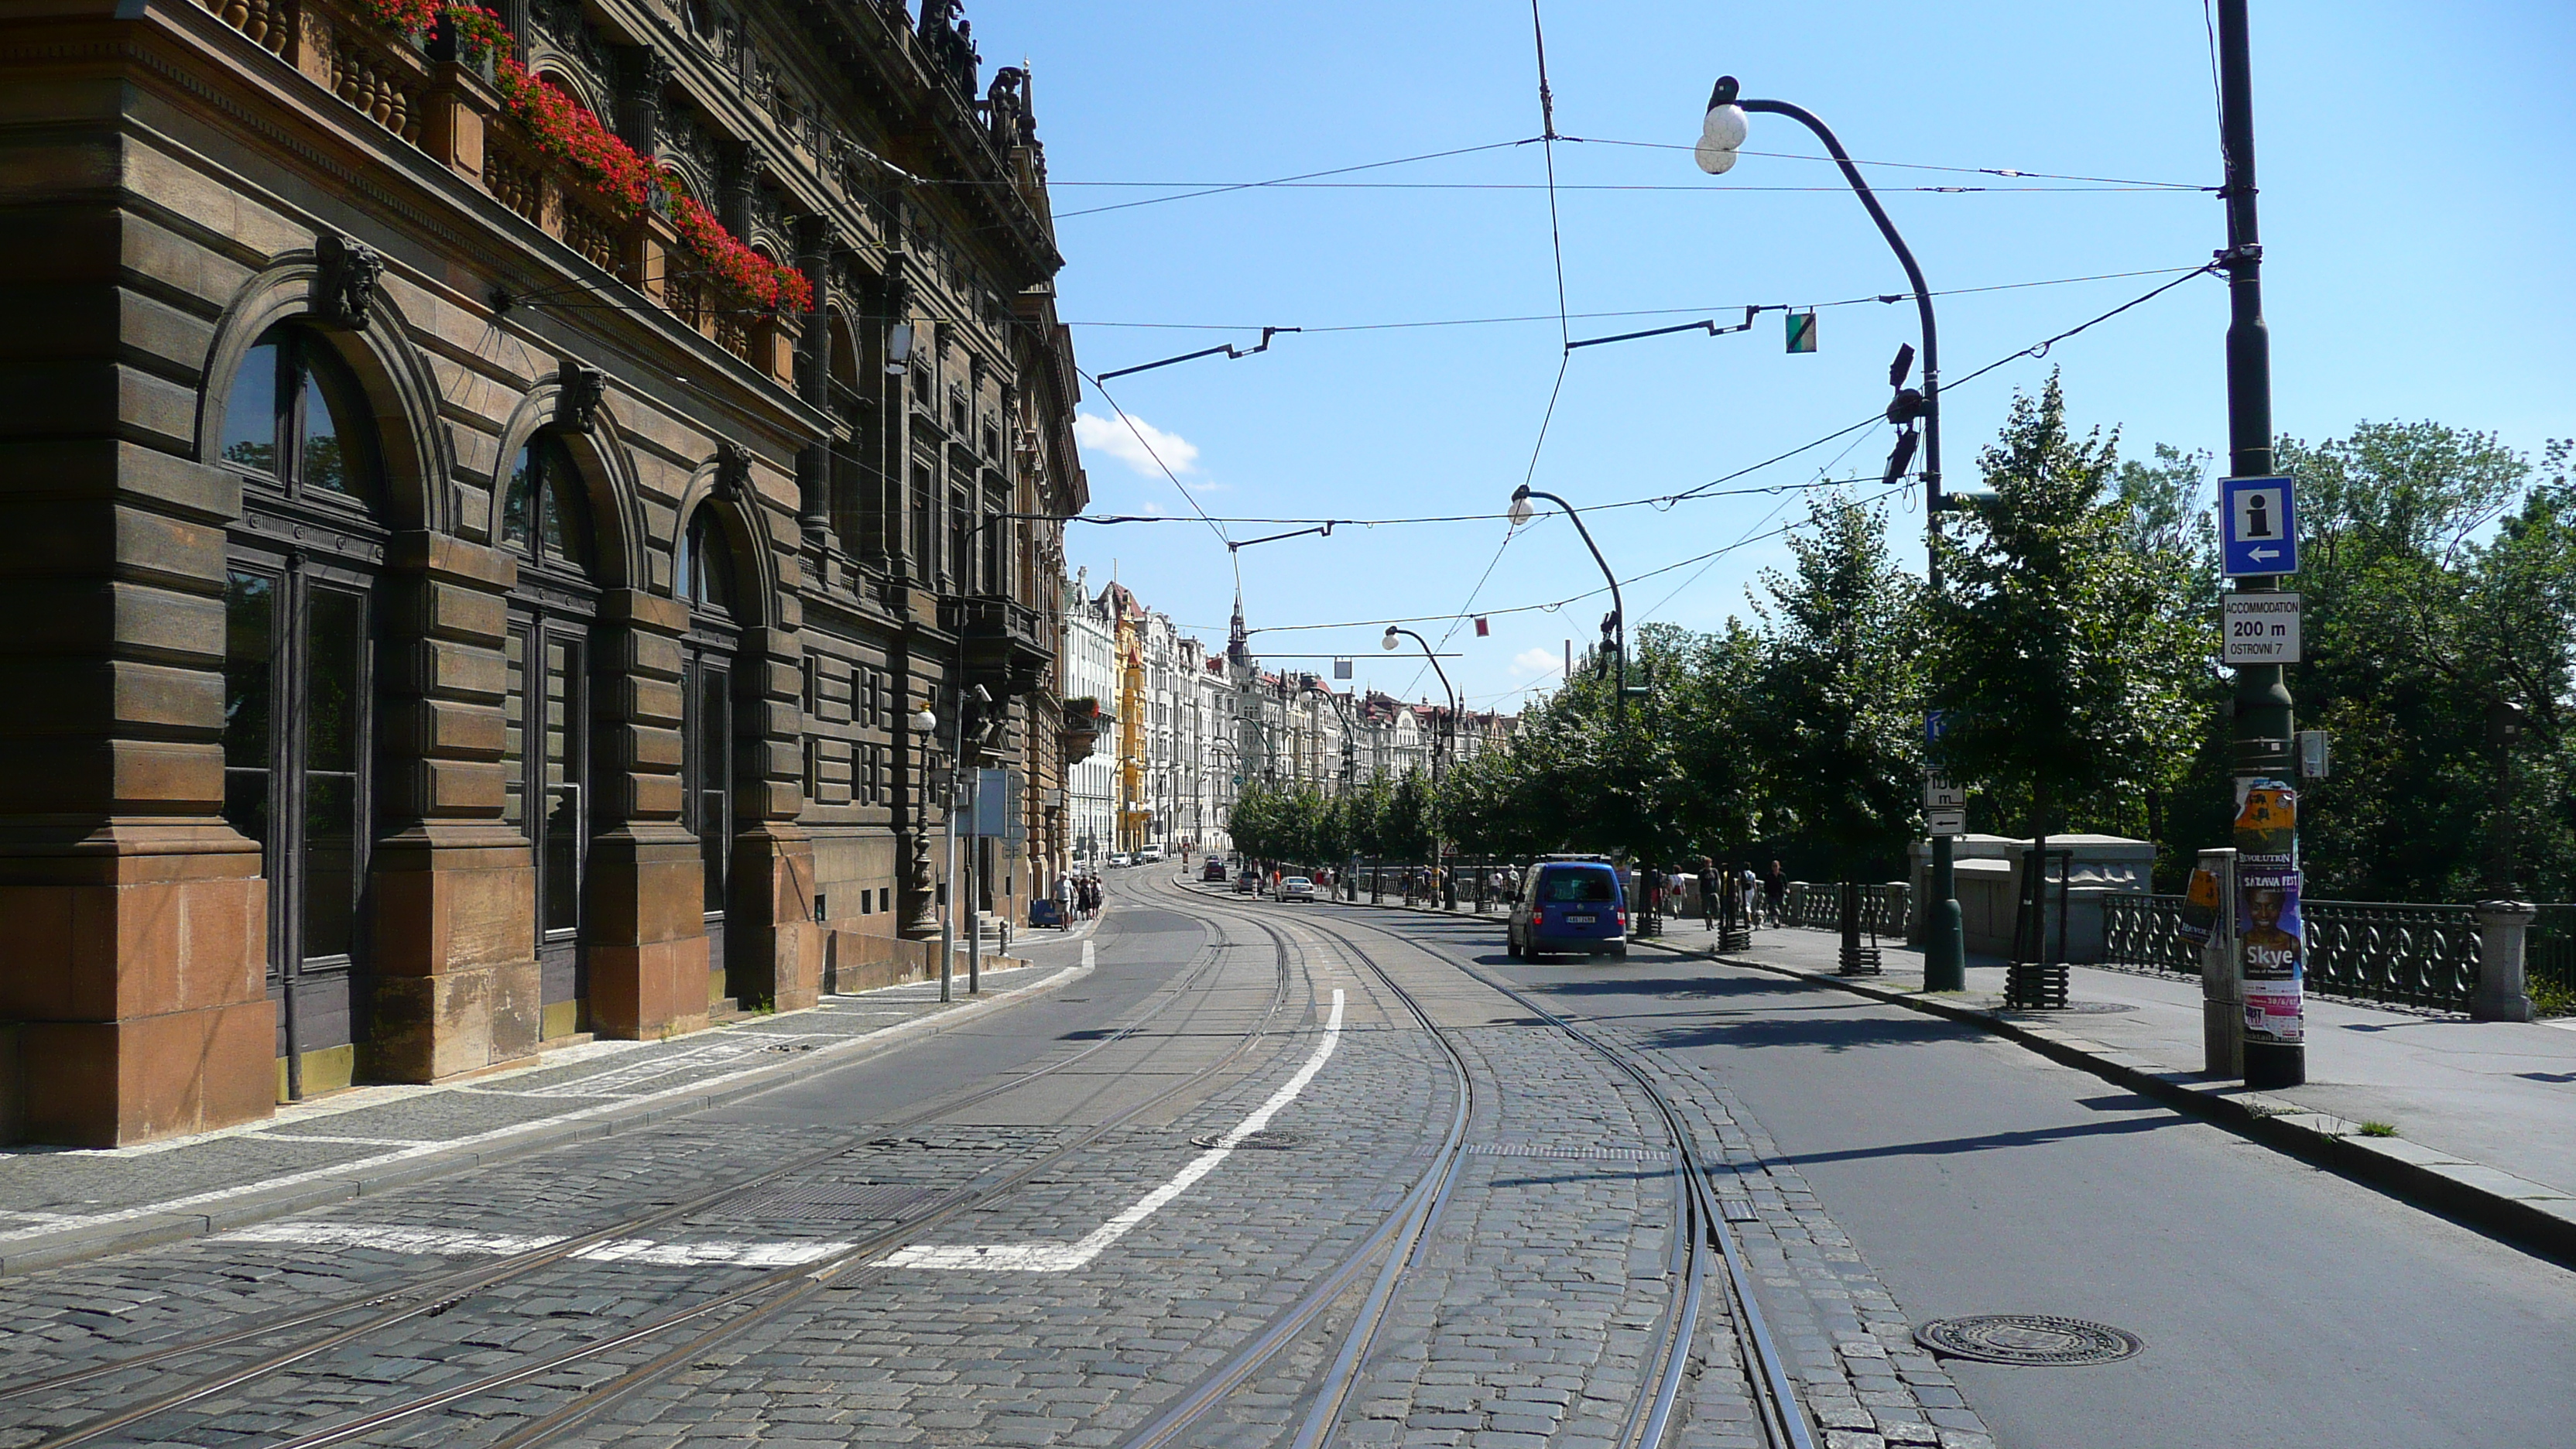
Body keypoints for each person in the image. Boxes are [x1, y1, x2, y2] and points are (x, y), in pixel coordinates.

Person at [1764, 861, 1787, 927]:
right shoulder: (1769, 875)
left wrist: (1787, 889)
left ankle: (1776, 920)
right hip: (1771, 894)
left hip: (1780, 894)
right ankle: (1776, 921)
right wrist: (1766, 893)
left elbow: (1786, 884)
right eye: (1773, 866)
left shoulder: (1782, 875)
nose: (1775, 868)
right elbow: (1766, 885)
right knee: (1774, 907)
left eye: (1776, 866)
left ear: (1779, 867)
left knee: (1780, 907)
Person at [1698, 858, 1720, 930]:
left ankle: (1711, 920)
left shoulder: (1714, 871)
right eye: (1706, 863)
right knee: (1706, 910)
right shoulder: (1702, 872)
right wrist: (1698, 893)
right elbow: (1699, 883)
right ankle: (1708, 924)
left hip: (1713, 892)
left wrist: (1719, 890)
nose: (1708, 865)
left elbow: (1718, 881)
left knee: (1716, 909)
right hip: (1705, 893)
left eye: (1709, 863)